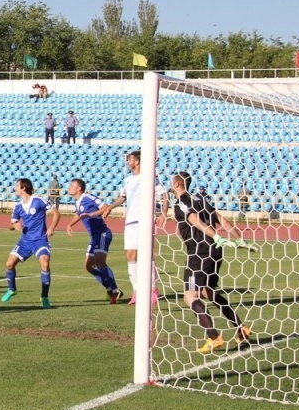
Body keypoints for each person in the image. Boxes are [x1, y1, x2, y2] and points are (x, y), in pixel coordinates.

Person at [170, 171, 252, 353]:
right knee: (207, 291)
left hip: (199, 253)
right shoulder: (201, 199)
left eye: (171, 182)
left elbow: (194, 219)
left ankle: (213, 337)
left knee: (190, 296)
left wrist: (215, 235)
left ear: (177, 184)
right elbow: (220, 218)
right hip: (215, 251)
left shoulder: (181, 202)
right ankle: (241, 328)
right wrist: (239, 239)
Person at [102, 150, 167, 305]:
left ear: (137, 161)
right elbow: (122, 197)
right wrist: (110, 206)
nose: (127, 162)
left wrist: (163, 214)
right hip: (130, 221)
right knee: (131, 256)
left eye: (130, 159)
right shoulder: (128, 180)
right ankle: (137, 290)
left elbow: (164, 196)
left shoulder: (150, 178)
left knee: (147, 255)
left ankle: (153, 290)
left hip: (145, 220)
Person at [1, 177, 60, 309]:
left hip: (40, 240)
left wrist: (52, 227)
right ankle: (12, 289)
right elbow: (12, 224)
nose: (15, 188)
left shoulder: (38, 200)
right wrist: (15, 226)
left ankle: (44, 297)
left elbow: (56, 213)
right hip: (25, 241)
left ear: (23, 188)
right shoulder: (18, 206)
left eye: (17, 186)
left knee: (45, 263)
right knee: (9, 264)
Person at [66, 178, 122, 303]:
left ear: (79, 188)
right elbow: (78, 214)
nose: (69, 187)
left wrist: (92, 214)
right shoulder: (78, 202)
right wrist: (70, 224)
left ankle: (115, 291)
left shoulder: (88, 197)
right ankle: (109, 288)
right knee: (88, 266)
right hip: (94, 237)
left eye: (72, 185)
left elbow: (105, 207)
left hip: (102, 234)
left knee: (100, 263)